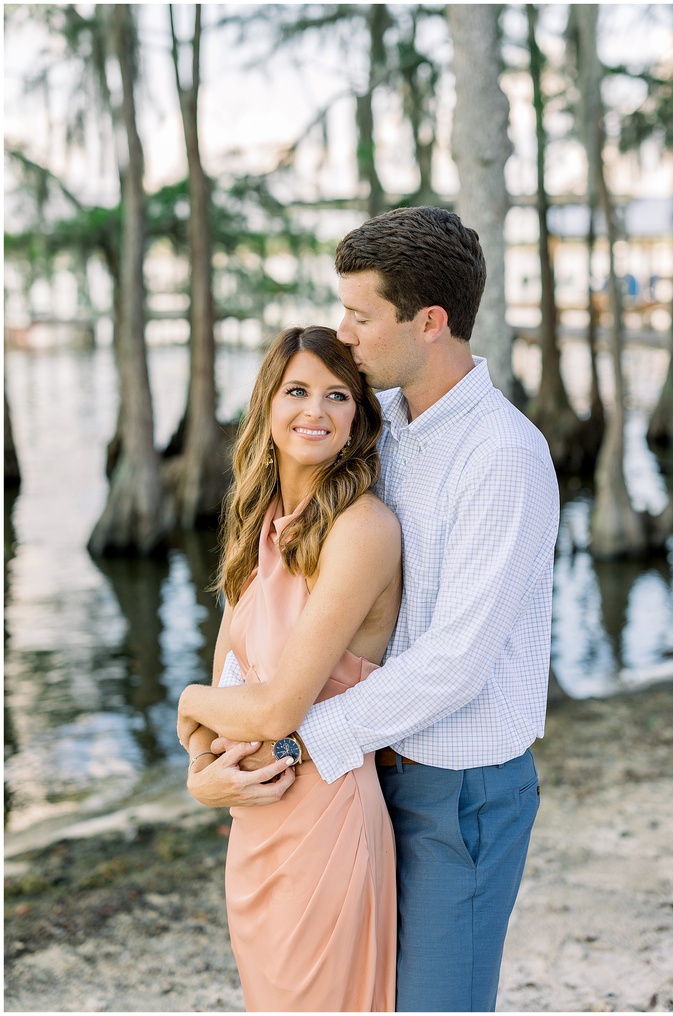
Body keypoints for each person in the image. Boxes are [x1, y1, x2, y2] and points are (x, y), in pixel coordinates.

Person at [188, 206, 561, 1013]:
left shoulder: (502, 456)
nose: (346, 336)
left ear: (429, 322)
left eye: (361, 317)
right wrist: (223, 751)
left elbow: (455, 663)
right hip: (362, 772)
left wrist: (293, 736)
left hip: (457, 790)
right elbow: (280, 582)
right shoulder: (381, 427)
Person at [177, 325, 402, 1012]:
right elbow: (228, 688)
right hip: (255, 821)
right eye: (297, 390)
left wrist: (185, 699)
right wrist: (200, 771)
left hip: (326, 821)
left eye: (338, 396)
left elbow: (274, 709)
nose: (316, 411)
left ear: (359, 419)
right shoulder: (257, 523)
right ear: (267, 406)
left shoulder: (363, 529)